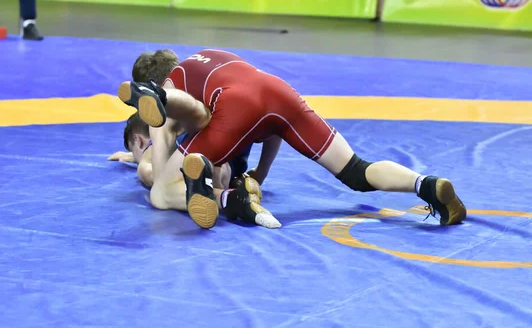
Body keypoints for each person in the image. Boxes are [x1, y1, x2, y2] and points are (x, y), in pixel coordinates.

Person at [119, 49, 467, 230]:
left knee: (161, 194)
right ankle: (425, 184)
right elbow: (268, 127)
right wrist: (261, 173)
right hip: (278, 92)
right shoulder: (210, 56)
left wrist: (157, 171)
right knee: (357, 171)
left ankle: (231, 202)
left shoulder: (175, 81)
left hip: (230, 108)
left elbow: (168, 156)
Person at [108, 113, 254, 191]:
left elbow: (149, 165)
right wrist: (133, 156)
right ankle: (226, 189)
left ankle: (219, 194)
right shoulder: (178, 124)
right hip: (236, 150)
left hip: (215, 159)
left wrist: (142, 162)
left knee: (146, 171)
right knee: (220, 169)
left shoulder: (156, 142)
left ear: (138, 140)